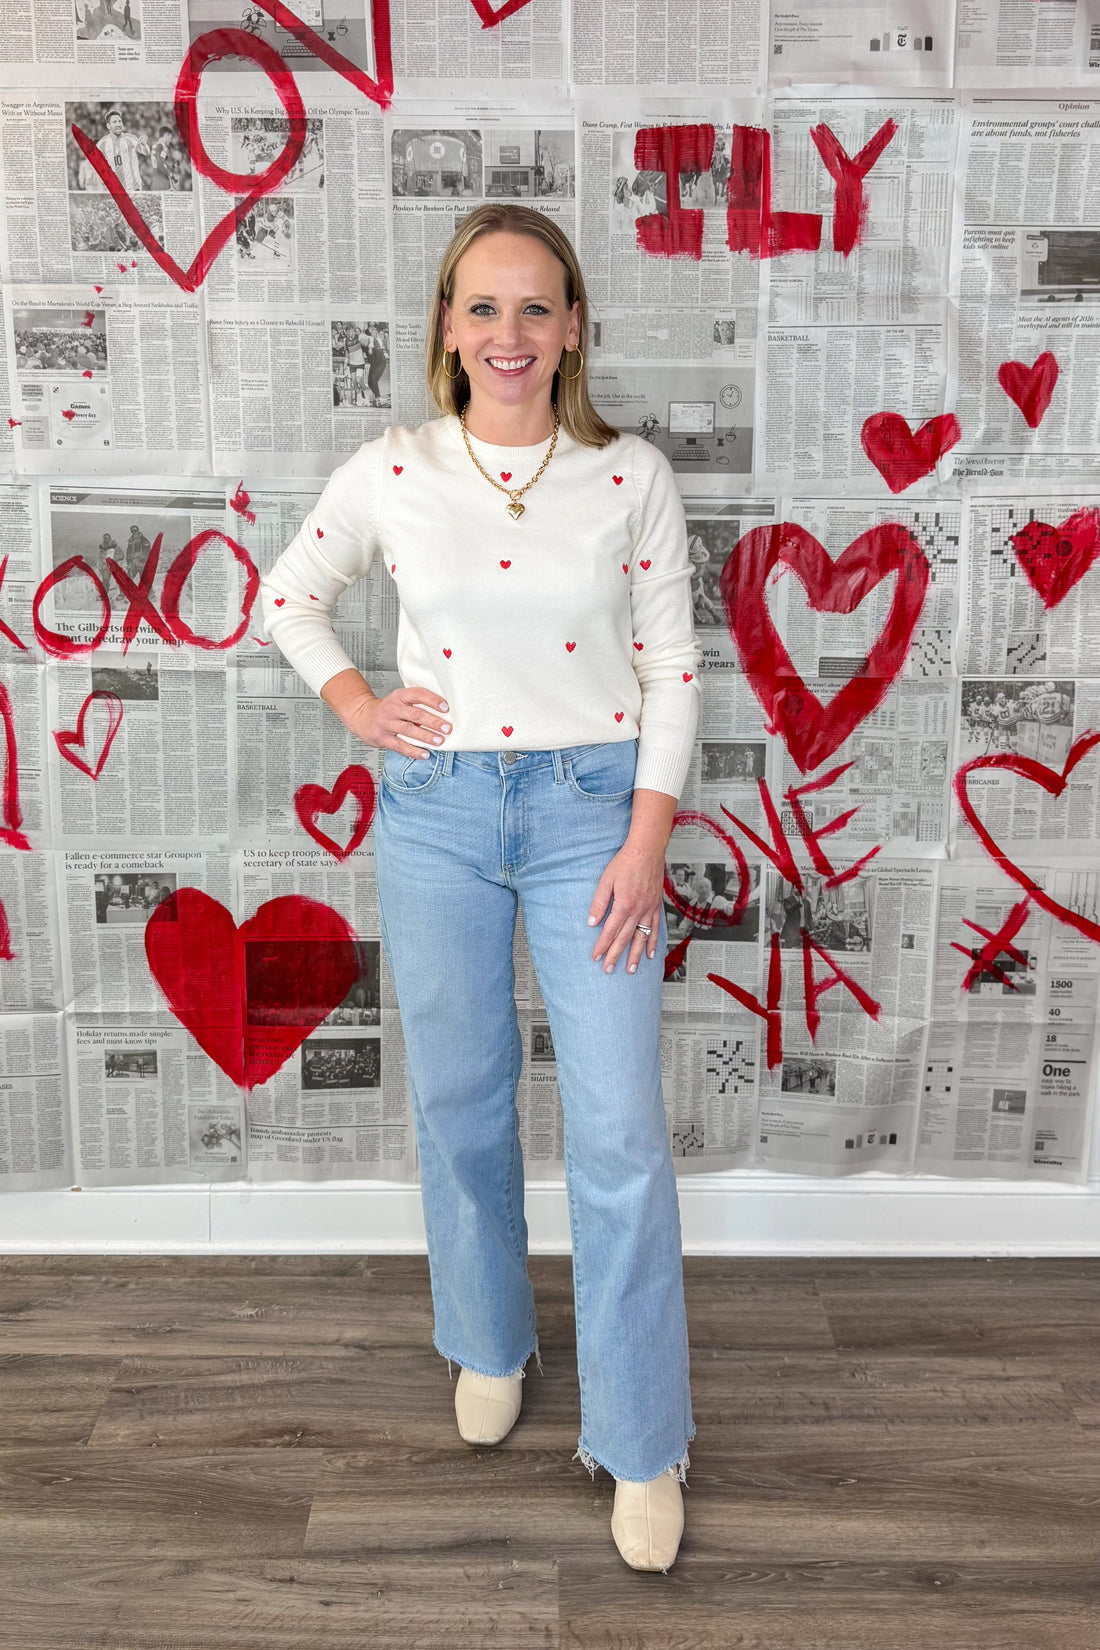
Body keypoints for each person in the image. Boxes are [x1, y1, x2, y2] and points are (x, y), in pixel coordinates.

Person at [259, 202, 702, 1574]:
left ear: (572, 327)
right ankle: (489, 1340)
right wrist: (357, 702)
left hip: (590, 816)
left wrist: (644, 841)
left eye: (535, 307)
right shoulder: (394, 469)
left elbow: (675, 667)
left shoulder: (628, 476)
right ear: (446, 327)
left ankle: (642, 1437)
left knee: (621, 1131)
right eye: (482, 307)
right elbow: (292, 596)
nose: (508, 334)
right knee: (460, 1096)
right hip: (440, 814)